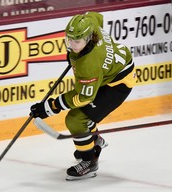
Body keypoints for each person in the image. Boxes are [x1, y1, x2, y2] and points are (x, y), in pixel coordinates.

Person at [30, 11, 137, 180]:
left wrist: (50, 108)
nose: (72, 44)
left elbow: (83, 97)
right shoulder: (90, 23)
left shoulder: (89, 65)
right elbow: (97, 16)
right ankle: (94, 140)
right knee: (83, 117)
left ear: (88, 38)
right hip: (110, 72)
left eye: (77, 41)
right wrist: (75, 53)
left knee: (75, 119)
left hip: (118, 84)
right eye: (69, 39)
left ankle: (90, 161)